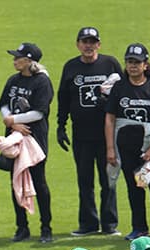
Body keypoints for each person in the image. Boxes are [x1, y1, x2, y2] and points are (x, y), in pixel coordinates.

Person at [58, 27, 121, 236]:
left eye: (92, 42)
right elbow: (63, 98)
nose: (88, 45)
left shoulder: (110, 64)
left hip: (106, 136)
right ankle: (88, 224)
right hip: (81, 135)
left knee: (107, 180)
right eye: (85, 41)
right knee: (84, 180)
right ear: (78, 44)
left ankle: (109, 223)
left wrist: (110, 103)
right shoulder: (70, 67)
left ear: (99, 44)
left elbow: (123, 91)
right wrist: (61, 125)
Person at [106, 44, 150, 242]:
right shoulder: (119, 87)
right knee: (135, 186)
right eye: (129, 62)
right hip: (127, 145)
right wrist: (110, 148)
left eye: (137, 62)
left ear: (145, 64)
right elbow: (110, 118)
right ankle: (139, 228)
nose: (133, 66)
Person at [0, 42, 54, 243]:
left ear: (29, 60)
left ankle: (46, 227)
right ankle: (21, 227)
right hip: (15, 136)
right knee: (15, 180)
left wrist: (14, 120)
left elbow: (39, 112)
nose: (14, 60)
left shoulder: (42, 82)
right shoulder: (13, 80)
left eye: (18, 57)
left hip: (35, 137)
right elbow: (4, 104)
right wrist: (10, 121)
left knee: (39, 182)